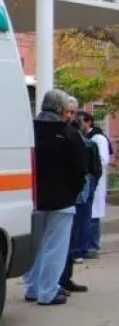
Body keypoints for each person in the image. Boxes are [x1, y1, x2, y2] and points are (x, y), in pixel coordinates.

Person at [25, 89, 87, 306]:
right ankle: (48, 292)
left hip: (33, 198)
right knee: (55, 247)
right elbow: (81, 168)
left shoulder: (29, 129)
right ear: (61, 109)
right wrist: (74, 190)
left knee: (35, 246)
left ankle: (32, 288)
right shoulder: (67, 133)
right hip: (62, 200)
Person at [59, 109, 99, 294]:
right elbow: (93, 170)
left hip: (73, 195)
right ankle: (62, 279)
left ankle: (64, 278)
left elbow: (93, 170)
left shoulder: (83, 143)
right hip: (77, 196)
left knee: (69, 238)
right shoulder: (85, 144)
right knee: (70, 238)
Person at [85, 115, 110, 259]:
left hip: (95, 180)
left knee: (93, 216)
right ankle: (88, 246)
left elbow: (103, 160)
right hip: (89, 181)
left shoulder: (98, 138)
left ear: (88, 122)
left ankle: (93, 247)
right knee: (89, 215)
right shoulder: (87, 137)